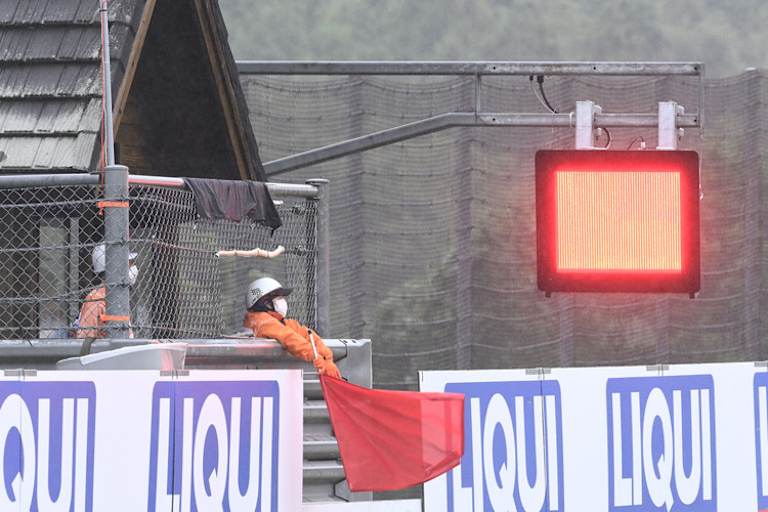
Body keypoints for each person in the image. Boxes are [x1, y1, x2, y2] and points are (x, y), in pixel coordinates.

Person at [243, 277, 341, 378]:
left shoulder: (283, 323)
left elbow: (308, 335)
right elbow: (289, 337)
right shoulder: (260, 321)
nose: (283, 302)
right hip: (262, 376)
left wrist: (326, 358)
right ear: (265, 303)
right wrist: (314, 355)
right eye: (278, 298)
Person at [76, 244, 138, 339]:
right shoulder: (96, 299)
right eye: (128, 264)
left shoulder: (120, 296)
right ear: (113, 268)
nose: (133, 267)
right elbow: (84, 338)